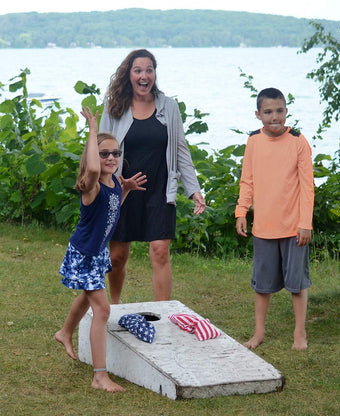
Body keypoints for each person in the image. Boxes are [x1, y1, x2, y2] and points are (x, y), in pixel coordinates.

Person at [99, 49, 206, 304]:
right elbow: (101, 148)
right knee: (117, 255)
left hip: (159, 190)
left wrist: (194, 190)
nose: (144, 76)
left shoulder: (168, 107)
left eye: (149, 70)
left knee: (160, 251)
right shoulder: (114, 107)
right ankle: (114, 306)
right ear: (129, 74)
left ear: (154, 74)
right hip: (122, 190)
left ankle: (164, 314)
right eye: (138, 70)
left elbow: (181, 149)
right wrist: (112, 182)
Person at [54, 107, 147, 392]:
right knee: (102, 310)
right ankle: (99, 376)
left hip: (97, 254)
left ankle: (65, 332)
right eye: (104, 153)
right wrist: (93, 129)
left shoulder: (114, 185)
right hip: (83, 254)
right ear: (94, 156)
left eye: (115, 154)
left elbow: (109, 215)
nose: (111, 158)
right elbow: (92, 168)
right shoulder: (91, 185)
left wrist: (126, 190)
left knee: (88, 296)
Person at [235, 88, 314, 351]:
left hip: (294, 228)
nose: (274, 117)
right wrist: (241, 211)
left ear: (286, 111)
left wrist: (305, 223)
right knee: (262, 285)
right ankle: (259, 333)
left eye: (279, 110)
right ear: (258, 115)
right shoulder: (254, 142)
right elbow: (247, 180)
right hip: (264, 228)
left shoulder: (298, 141)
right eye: (268, 112)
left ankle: (299, 334)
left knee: (297, 284)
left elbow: (307, 187)